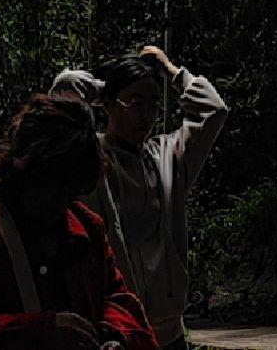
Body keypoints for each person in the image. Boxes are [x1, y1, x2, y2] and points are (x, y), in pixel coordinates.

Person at [0, 92, 158, 350]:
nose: (61, 201)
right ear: (27, 171)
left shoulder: (86, 228)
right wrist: (39, 331)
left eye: (70, 188)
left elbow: (119, 300)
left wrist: (114, 335)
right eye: (53, 185)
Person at [88, 44, 227, 350]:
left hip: (170, 333)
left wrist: (171, 71)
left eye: (154, 106)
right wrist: (106, 86)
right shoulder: (90, 159)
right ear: (108, 105)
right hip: (117, 333)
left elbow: (214, 110)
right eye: (136, 104)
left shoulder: (167, 157)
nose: (147, 116)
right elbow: (60, 99)